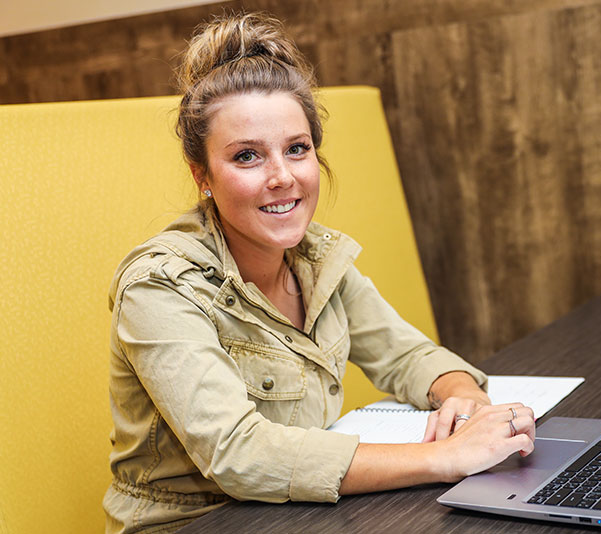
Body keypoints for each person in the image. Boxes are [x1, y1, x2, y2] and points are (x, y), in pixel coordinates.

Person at [103, 12, 535, 534]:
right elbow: (240, 454)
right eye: (246, 156)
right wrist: (446, 457)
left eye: (296, 149)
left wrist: (464, 398)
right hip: (197, 523)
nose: (282, 177)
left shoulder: (317, 259)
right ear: (204, 177)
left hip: (300, 512)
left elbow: (409, 356)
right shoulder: (158, 287)